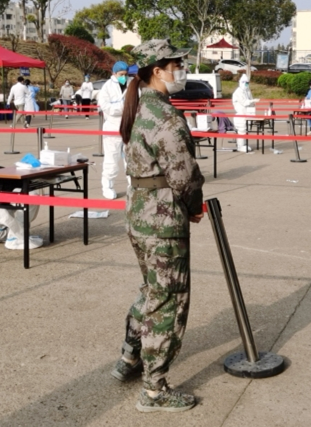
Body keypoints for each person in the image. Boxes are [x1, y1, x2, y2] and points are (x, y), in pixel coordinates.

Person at [113, 38, 204, 413]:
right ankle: (154, 390)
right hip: (164, 218)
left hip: (140, 212)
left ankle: (130, 357)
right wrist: (194, 206)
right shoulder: (165, 117)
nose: (180, 69)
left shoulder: (138, 107)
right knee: (168, 299)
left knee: (152, 288)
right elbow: (184, 176)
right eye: (176, 64)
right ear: (157, 70)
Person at [98, 61, 129, 200]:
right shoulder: (107, 87)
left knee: (132, 159)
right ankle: (107, 186)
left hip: (129, 127)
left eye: (126, 74)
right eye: (121, 74)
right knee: (112, 159)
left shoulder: (132, 85)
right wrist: (124, 106)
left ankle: (133, 186)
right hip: (112, 127)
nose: (124, 77)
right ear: (114, 73)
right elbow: (106, 107)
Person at [232, 74, 260, 152]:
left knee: (245, 131)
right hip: (240, 115)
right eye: (245, 83)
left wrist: (253, 102)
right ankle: (240, 146)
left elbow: (250, 100)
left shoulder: (247, 91)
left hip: (247, 114)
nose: (246, 85)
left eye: (247, 83)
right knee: (242, 131)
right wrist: (253, 101)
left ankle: (243, 145)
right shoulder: (238, 92)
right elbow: (244, 102)